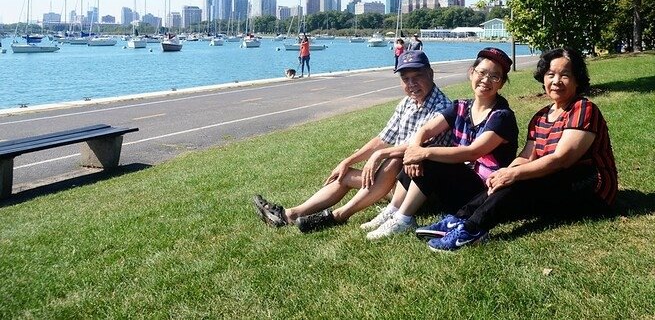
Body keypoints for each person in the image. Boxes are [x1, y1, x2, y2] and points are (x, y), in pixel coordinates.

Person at [420, 47, 618, 252]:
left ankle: (472, 230)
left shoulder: (583, 109)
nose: (556, 81)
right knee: (509, 178)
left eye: (565, 75)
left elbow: (562, 159)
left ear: (578, 79)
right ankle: (459, 219)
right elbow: (527, 156)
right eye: (551, 75)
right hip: (557, 182)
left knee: (520, 180)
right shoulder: (541, 117)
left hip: (591, 189)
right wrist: (505, 172)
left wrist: (514, 173)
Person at [253, 50, 452, 232]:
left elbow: (414, 150)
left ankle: (339, 216)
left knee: (395, 159)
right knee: (345, 174)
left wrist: (379, 155)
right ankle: (289, 214)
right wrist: (348, 161)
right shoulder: (407, 103)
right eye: (405, 79)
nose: (411, 84)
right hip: (393, 183)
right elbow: (382, 139)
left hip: (419, 191)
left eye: (417, 76)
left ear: (430, 74)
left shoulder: (443, 109)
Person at [362, 47, 519, 240]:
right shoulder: (461, 106)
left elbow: (472, 152)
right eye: (482, 73)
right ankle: (394, 209)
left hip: (483, 191)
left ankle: (404, 219)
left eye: (495, 77)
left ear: (501, 83)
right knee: (418, 154)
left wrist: (423, 154)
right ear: (472, 73)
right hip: (458, 184)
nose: (486, 80)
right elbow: (425, 130)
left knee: (430, 157)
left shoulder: (502, 117)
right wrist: (416, 150)